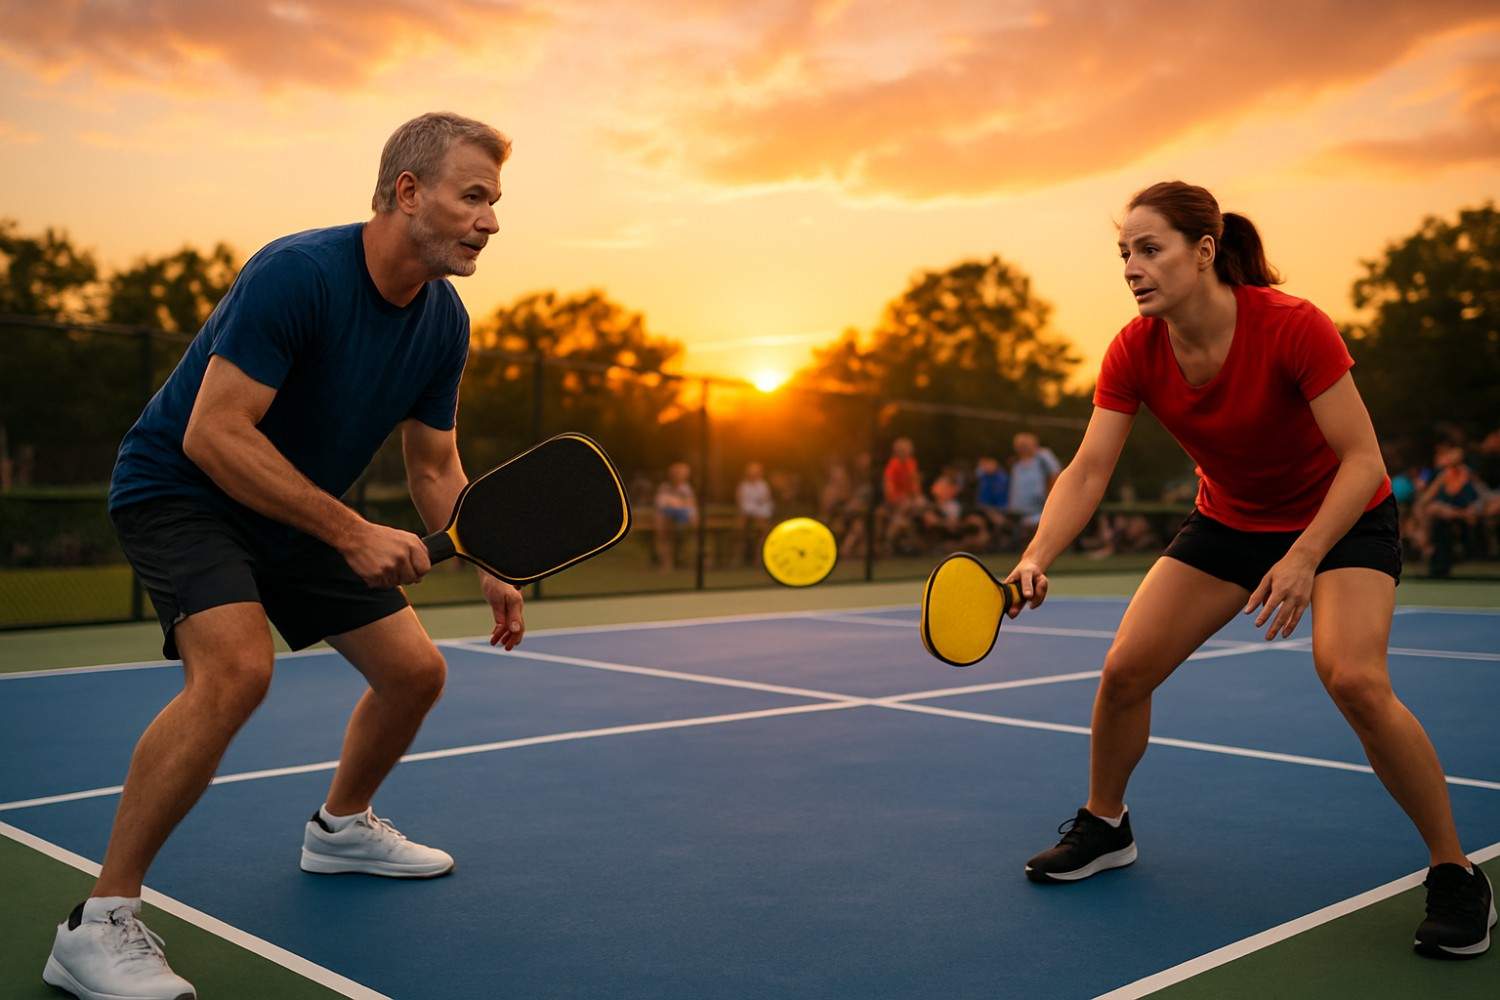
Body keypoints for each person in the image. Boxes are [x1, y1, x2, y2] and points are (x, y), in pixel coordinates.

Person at [42, 113, 527, 1000]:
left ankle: (339, 830)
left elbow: (434, 466)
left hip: (290, 509)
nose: (490, 219)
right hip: (181, 489)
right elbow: (214, 433)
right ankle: (98, 922)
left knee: (415, 673)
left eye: (494, 201)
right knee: (234, 670)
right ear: (407, 192)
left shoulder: (443, 324)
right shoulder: (297, 273)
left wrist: (492, 553)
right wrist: (350, 531)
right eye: (473, 196)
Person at [1009, 181, 1491, 960]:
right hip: (1231, 521)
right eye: (1123, 253)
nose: (1132, 267)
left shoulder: (1292, 326)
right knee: (1126, 670)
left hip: (1343, 517)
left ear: (1205, 251)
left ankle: (1455, 871)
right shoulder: (1136, 347)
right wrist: (1037, 555)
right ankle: (1106, 825)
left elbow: (1362, 457)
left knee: (1354, 679)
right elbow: (1090, 468)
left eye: (1149, 248)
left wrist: (1304, 556)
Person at [1006, 432, 1060, 541]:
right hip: (1018, 512)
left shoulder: (1043, 458)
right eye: (1020, 445)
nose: (1023, 447)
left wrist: (1051, 497)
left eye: (1026, 444)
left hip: (1041, 509)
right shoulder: (1017, 465)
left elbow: (1055, 474)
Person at [653, 461, 698, 572]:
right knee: (663, 529)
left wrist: (676, 504)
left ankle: (693, 561)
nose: (679, 476)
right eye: (677, 473)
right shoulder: (664, 487)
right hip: (667, 520)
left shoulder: (687, 489)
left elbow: (690, 506)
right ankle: (666, 563)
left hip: (684, 520)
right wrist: (678, 503)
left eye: (682, 474)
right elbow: (661, 504)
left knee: (693, 528)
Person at [734, 461, 775, 565]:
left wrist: (757, 512)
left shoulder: (763, 485)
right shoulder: (743, 486)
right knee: (740, 528)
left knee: (763, 531)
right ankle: (738, 558)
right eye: (751, 472)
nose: (754, 475)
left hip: (761, 516)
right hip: (746, 516)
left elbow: (765, 502)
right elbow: (741, 503)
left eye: (756, 472)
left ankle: (759, 558)